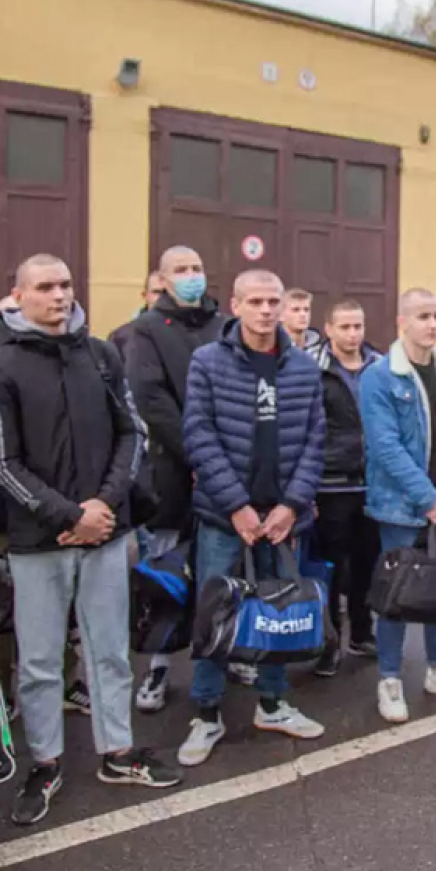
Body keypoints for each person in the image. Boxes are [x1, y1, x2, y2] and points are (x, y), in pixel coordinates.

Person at [0, 255, 179, 826]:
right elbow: (1, 461)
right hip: (38, 540)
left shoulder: (101, 354)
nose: (59, 295)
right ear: (18, 296)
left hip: (105, 533)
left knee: (111, 651)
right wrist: (68, 514)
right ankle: (44, 762)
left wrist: (103, 507)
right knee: (41, 659)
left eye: (65, 285)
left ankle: (117, 752)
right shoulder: (0, 368)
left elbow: (130, 432)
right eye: (45, 287)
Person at [177, 269, 326, 766]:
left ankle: (274, 702)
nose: (266, 310)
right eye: (256, 301)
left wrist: (291, 505)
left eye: (273, 301)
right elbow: (199, 435)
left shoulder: (304, 369)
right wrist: (236, 506)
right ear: (235, 305)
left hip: (284, 521)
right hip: (225, 519)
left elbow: (314, 442)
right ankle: (206, 712)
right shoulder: (208, 363)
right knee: (215, 613)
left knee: (279, 614)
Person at [0, 297, 86, 720]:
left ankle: (67, 682)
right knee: (0, 606)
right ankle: (0, 686)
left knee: (61, 606)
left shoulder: (68, 360)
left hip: (55, 509)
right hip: (2, 511)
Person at [360, 288, 436, 724]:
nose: (432, 324)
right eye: (422, 316)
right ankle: (390, 678)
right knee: (397, 592)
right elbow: (385, 447)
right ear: (401, 323)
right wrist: (427, 497)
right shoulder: (380, 376)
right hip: (402, 507)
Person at [125, 245, 223, 712]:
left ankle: (229, 650)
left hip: (225, 474)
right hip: (171, 473)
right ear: (162, 281)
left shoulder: (224, 326)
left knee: (223, 569)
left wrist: (222, 460)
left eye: (197, 267)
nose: (192, 276)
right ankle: (160, 666)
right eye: (181, 270)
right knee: (166, 573)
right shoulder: (145, 331)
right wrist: (201, 455)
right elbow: (152, 400)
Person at [308, 300, 383, 675]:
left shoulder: (380, 366)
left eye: (358, 326)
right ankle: (330, 641)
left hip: (372, 485)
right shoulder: (314, 370)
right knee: (332, 568)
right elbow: (307, 430)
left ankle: (362, 632)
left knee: (367, 563)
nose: (353, 334)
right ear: (329, 329)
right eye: (345, 327)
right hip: (331, 484)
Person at [107, 270, 164, 363]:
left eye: (166, 293)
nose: (161, 298)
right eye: (156, 292)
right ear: (145, 295)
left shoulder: (184, 333)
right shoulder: (120, 337)